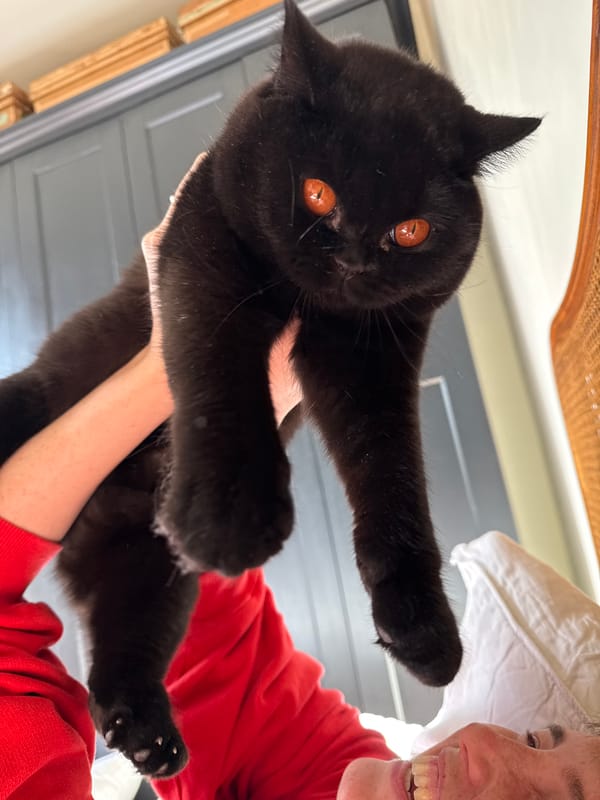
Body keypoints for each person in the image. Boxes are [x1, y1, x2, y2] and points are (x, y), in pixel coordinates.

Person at [1, 157, 599, 800]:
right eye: (536, 737)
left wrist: (159, 377)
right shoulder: (330, 770)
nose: (482, 744)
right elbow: (223, 643)